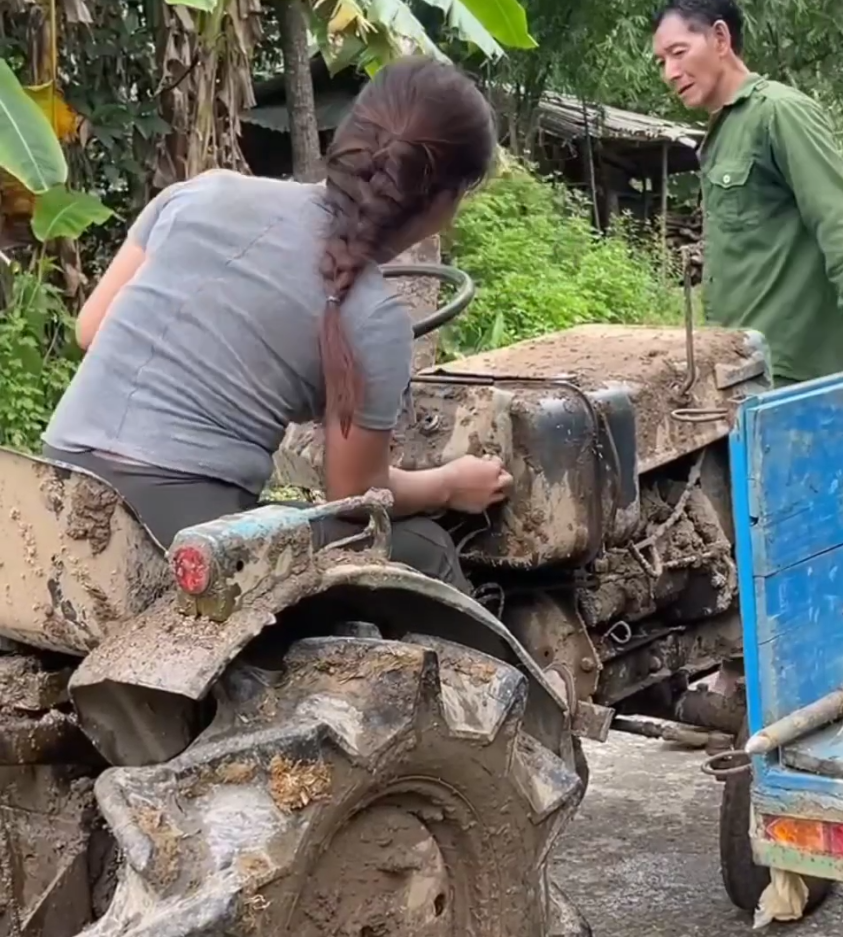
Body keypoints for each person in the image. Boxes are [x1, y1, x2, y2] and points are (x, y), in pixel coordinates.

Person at [42, 57, 511, 592]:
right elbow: (354, 497)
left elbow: (91, 328)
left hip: (56, 490)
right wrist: (449, 484)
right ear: (446, 201)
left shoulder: (202, 192)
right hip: (177, 536)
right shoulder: (373, 317)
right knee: (426, 547)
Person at [652, 0, 843, 386]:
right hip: (744, 367)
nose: (670, 72)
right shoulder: (723, 132)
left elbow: (841, 221)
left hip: (795, 372)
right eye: (662, 61)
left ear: (720, 38)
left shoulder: (780, 113)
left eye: (678, 52)